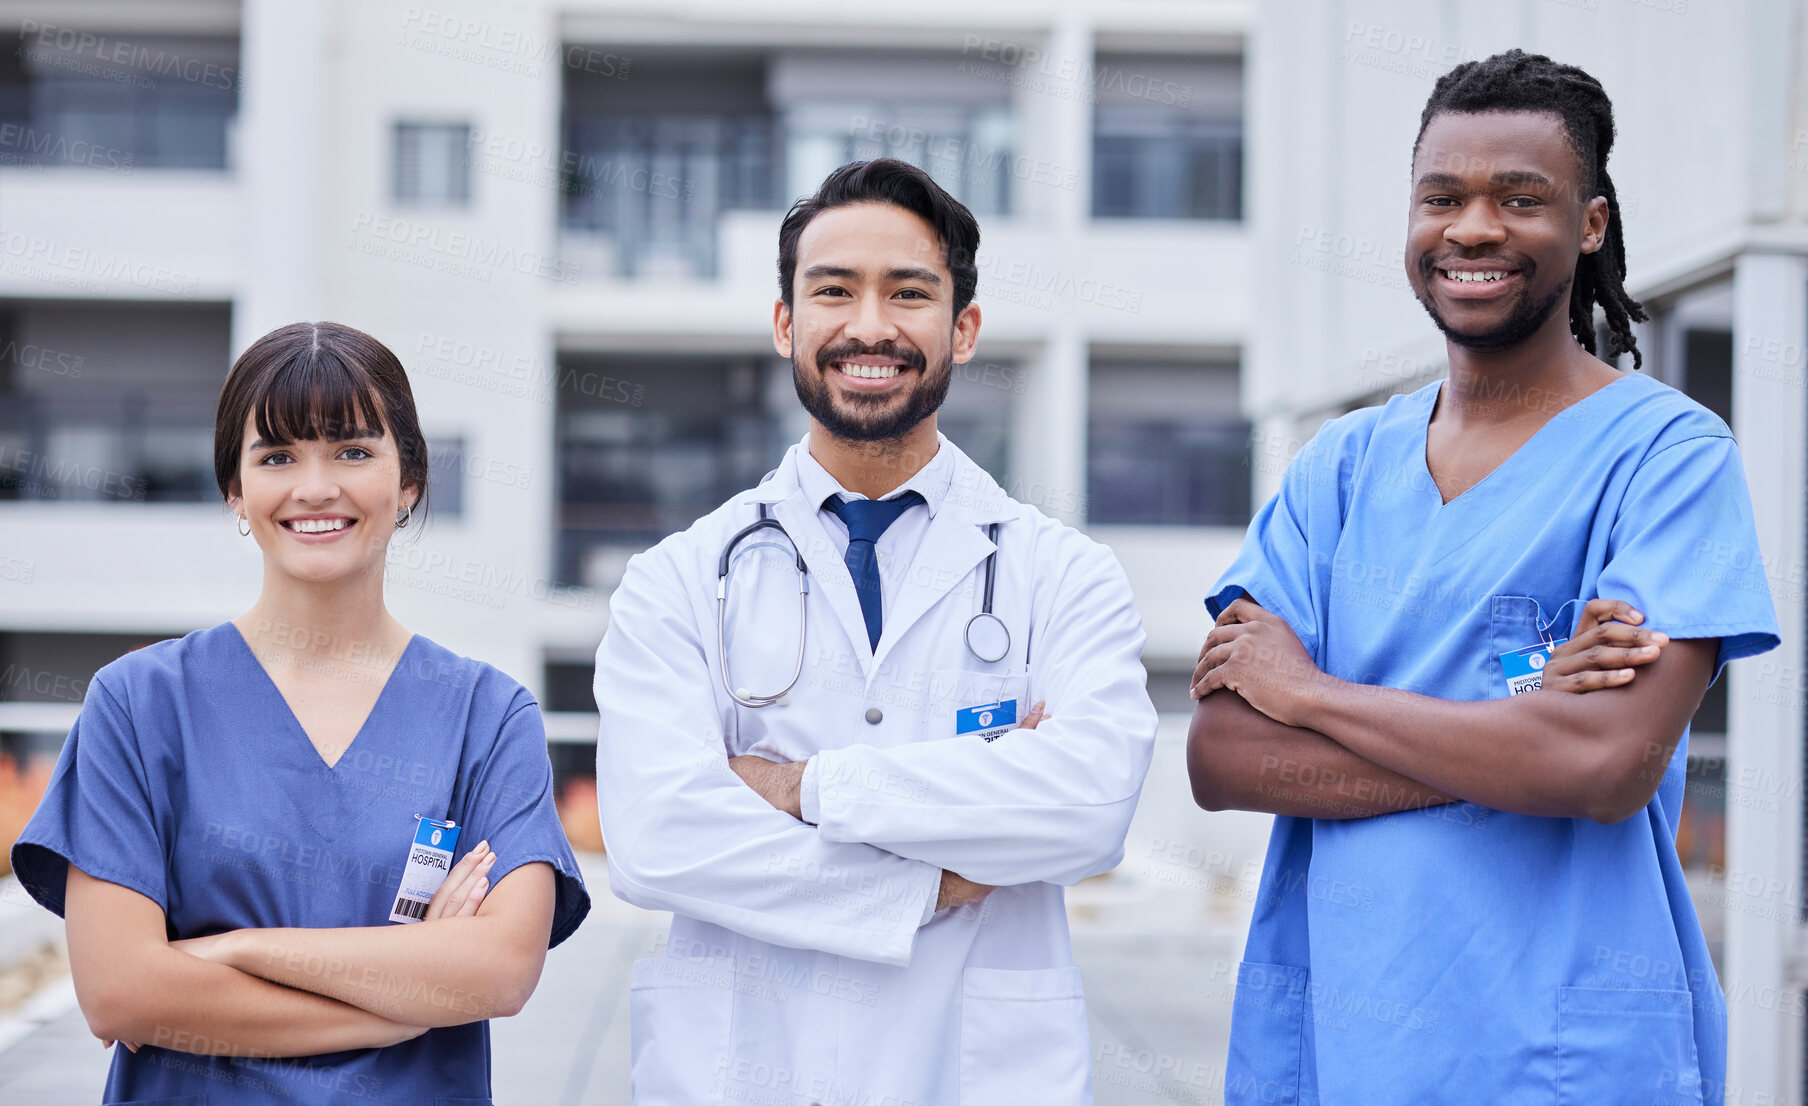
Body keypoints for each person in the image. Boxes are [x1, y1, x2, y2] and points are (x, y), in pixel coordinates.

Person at [1187, 50, 1780, 1106]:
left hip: (1563, 1056)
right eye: (1441, 197)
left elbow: (1603, 764)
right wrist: (1517, 734)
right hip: (1334, 1046)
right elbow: (1226, 754)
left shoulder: (1667, 456)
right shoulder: (1339, 467)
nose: (1471, 228)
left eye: (1519, 198)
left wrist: (1312, 698)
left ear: (1588, 223)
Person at [593, 158, 1158, 1105]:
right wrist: (934, 884)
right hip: (740, 1069)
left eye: (908, 293)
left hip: (975, 1070)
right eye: (833, 291)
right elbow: (658, 838)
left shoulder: (1062, 575)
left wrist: (805, 786)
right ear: (786, 324)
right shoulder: (678, 582)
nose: (869, 326)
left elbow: (1089, 806)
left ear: (962, 328)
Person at [11, 322, 590, 1104]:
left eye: (353, 452)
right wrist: (398, 1007)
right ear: (235, 491)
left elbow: (499, 970)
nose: (316, 486)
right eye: (277, 456)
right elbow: (121, 992)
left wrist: (234, 949)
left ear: (409, 481)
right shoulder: (139, 705)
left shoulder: (486, 718)